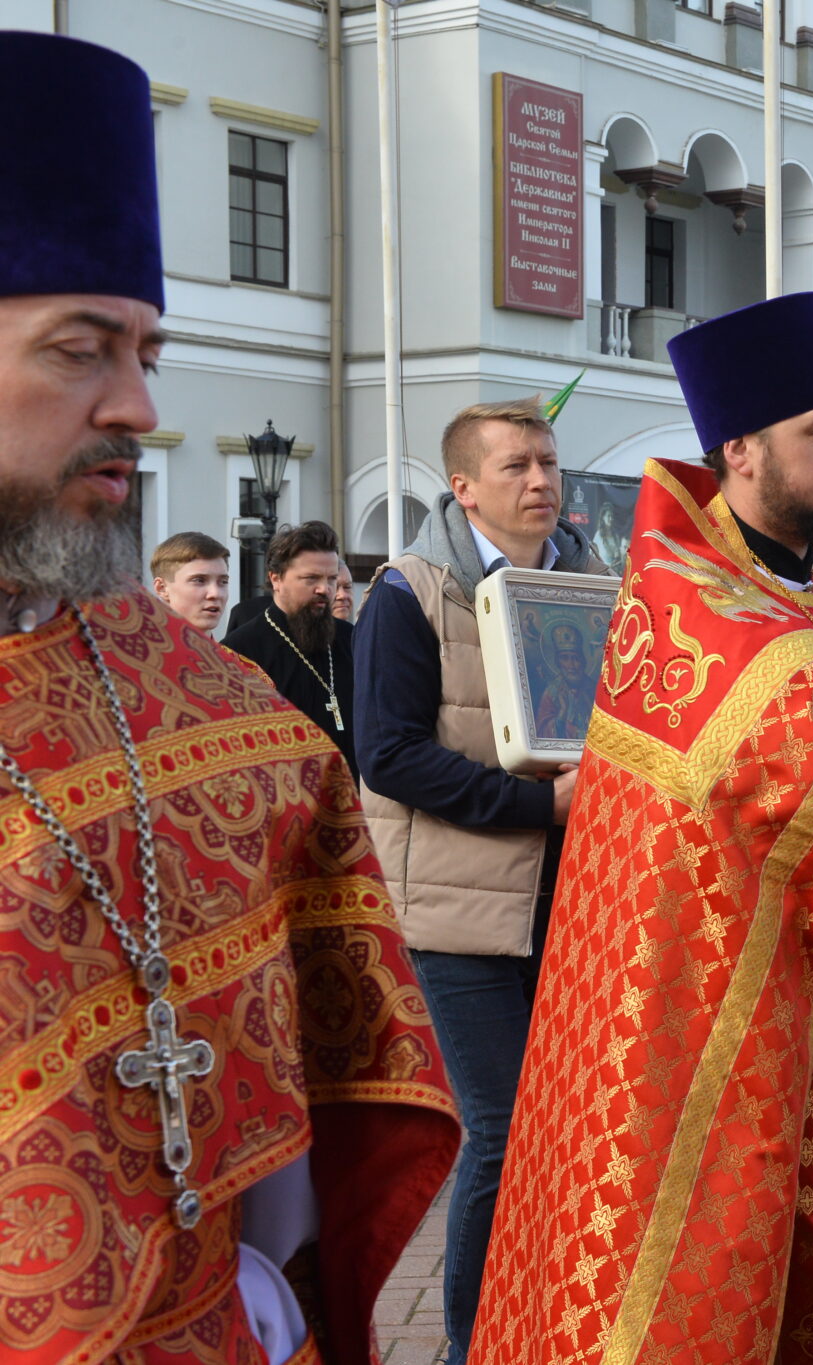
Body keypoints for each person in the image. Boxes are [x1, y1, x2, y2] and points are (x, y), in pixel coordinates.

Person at [0, 30, 458, 1365]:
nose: (139, 404)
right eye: (80, 350)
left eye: (147, 349)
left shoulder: (232, 719)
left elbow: (331, 1123)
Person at [469, 291, 813, 1365]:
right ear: (739, 449)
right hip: (699, 1019)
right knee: (711, 1293)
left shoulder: (807, 590)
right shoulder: (701, 601)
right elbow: (808, 794)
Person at [351, 395, 605, 1365]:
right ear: (462, 488)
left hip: (573, 898)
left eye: (549, 462)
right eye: (516, 467)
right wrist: (539, 807)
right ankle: (474, 1347)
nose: (541, 481)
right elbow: (389, 756)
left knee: (567, 1131)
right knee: (501, 1135)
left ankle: (550, 1333)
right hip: (456, 913)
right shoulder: (408, 593)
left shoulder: (591, 585)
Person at [222, 519, 355, 775]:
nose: (324, 589)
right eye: (311, 578)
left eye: (331, 579)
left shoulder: (352, 640)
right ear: (276, 579)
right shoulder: (239, 653)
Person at [149, 529, 231, 634]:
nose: (215, 593)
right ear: (162, 588)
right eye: (199, 580)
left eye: (223, 582)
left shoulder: (228, 651)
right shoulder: (137, 649)